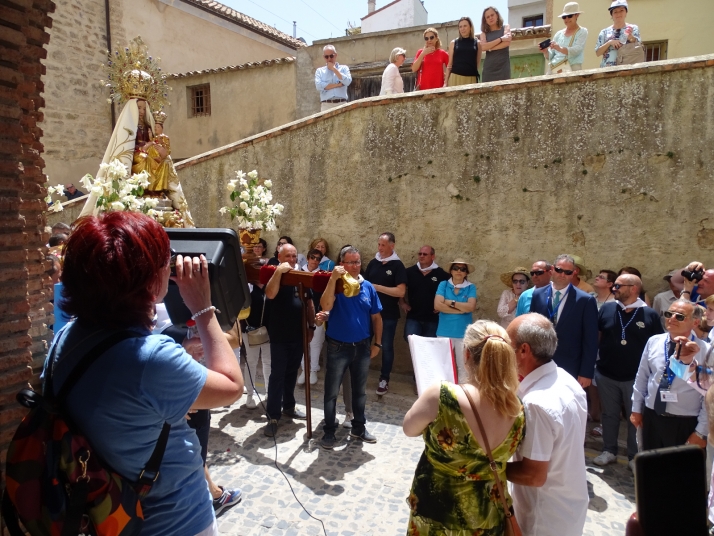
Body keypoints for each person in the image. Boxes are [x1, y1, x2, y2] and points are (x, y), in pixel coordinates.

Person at [49, 211, 243, 536]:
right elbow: (232, 386)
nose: (170, 265)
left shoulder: (65, 339)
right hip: (173, 520)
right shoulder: (151, 359)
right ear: (148, 279)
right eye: (164, 260)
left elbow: (123, 393)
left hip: (106, 513)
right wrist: (203, 307)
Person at [403, 320, 524, 534]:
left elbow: (409, 428)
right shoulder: (517, 410)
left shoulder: (442, 396)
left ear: (466, 354)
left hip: (436, 518)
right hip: (486, 518)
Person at [506, 314, 589, 536]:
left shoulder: (537, 403)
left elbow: (533, 475)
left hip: (543, 518)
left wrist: (487, 468)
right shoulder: (566, 380)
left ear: (523, 350)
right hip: (568, 506)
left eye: (507, 345)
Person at [593, 274, 663, 471]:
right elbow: (598, 336)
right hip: (606, 374)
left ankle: (634, 456)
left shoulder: (649, 315)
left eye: (618, 286)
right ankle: (609, 450)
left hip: (636, 378)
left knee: (635, 417)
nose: (614, 289)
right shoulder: (607, 309)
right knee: (609, 415)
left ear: (633, 288)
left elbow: (657, 346)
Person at [320, 246, 383, 448]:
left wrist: (378, 343)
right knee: (331, 391)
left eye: (357, 262)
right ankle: (329, 431)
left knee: (360, 391)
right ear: (342, 264)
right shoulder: (336, 285)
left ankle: (358, 427)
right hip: (338, 347)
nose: (355, 266)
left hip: (362, 346)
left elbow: (376, 318)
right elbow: (326, 305)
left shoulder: (368, 287)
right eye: (351, 262)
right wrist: (332, 279)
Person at [631, 299, 709, 450]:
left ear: (695, 323)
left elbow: (709, 396)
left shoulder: (705, 351)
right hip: (652, 416)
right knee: (650, 468)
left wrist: (701, 432)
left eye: (679, 316)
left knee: (679, 472)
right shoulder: (654, 341)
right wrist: (636, 408)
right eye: (669, 314)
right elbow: (642, 377)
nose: (672, 318)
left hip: (685, 422)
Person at [263, 243, 315, 437]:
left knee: (292, 372)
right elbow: (270, 294)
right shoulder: (275, 274)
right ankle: (273, 416)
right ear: (279, 256)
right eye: (288, 257)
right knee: (277, 375)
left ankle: (289, 406)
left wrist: (311, 326)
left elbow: (309, 302)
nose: (292, 260)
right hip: (279, 336)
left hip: (298, 334)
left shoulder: (300, 275)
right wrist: (279, 272)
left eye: (294, 256)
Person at [529, 254, 598, 387]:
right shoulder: (538, 294)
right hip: (541, 361)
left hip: (570, 364)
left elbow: (590, 339)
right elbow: (531, 329)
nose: (562, 275)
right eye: (559, 270)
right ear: (552, 270)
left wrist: (586, 372)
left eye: (568, 272)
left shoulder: (585, 300)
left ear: (573, 274)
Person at [364, 232, 407, 396]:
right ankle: (359, 375)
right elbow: (364, 285)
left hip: (388, 315)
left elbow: (401, 291)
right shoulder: (373, 263)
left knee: (387, 347)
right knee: (363, 344)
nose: (380, 248)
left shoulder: (398, 266)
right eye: (379, 244)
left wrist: (376, 286)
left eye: (383, 245)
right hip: (369, 313)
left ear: (392, 246)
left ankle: (384, 379)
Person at [434, 259, 478, 381]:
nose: (459, 271)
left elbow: (471, 307)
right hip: (443, 331)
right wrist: (460, 309)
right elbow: (437, 305)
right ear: (451, 271)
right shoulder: (443, 284)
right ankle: (443, 394)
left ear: (466, 273)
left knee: (463, 367)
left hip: (462, 333)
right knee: (443, 365)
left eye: (463, 269)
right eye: (456, 268)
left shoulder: (471, 287)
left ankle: (461, 396)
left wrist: (449, 302)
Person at [400, 245, 449, 339]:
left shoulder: (441, 274)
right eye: (420, 254)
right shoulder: (409, 272)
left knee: (429, 347)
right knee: (412, 344)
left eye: (425, 254)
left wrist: (443, 305)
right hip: (413, 317)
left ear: (432, 256)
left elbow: (450, 291)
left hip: (432, 318)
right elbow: (399, 288)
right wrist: (402, 303)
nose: (421, 256)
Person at [241, 278, 271, 409]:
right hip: (249, 331)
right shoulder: (248, 288)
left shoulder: (268, 288)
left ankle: (269, 392)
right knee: (251, 362)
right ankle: (250, 396)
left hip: (266, 331)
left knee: (267, 361)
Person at [297, 249, 325, 385]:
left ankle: (313, 370)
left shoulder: (322, 275)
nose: (315, 260)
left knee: (315, 343)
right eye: (312, 257)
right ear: (307, 258)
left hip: (316, 313)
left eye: (318, 259)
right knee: (303, 344)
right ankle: (304, 370)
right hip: (299, 313)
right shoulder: (298, 272)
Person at [595, 0, 642, 68]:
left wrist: (631, 38)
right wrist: (609, 42)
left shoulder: (633, 28)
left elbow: (639, 46)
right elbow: (597, 53)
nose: (618, 14)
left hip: (627, 68)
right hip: (607, 70)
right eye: (615, 12)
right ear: (612, 14)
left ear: (626, 12)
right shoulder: (604, 32)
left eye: (621, 10)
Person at [543, 2, 588, 74]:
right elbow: (550, 56)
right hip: (554, 69)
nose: (566, 19)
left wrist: (560, 49)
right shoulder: (558, 34)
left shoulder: (582, 31)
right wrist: (545, 51)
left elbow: (577, 50)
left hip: (572, 68)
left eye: (569, 16)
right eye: (564, 17)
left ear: (577, 15)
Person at [315, 45, 352, 112]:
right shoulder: (319, 71)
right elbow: (319, 86)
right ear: (324, 57)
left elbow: (348, 82)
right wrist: (337, 85)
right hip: (326, 105)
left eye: (331, 56)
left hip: (341, 103)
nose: (329, 59)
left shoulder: (344, 68)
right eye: (326, 57)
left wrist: (334, 69)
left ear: (336, 55)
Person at [479, 6, 511, 82]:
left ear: (497, 15)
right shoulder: (483, 34)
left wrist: (490, 47)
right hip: (489, 70)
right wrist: (500, 39)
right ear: (485, 20)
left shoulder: (506, 27)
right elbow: (483, 47)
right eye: (487, 17)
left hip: (503, 68)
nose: (490, 18)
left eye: (492, 15)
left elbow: (507, 42)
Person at [445, 17, 480, 87]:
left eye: (465, 26)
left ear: (470, 27)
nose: (462, 28)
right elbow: (449, 64)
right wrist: (445, 82)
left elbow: (477, 64)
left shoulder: (477, 43)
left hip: (471, 79)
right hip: (455, 78)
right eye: (460, 27)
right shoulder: (453, 43)